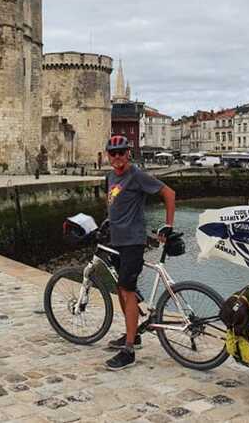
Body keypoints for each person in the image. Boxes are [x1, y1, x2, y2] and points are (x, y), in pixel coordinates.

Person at [103, 134, 175, 371]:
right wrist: (108, 221)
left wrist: (168, 225)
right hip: (116, 240)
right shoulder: (111, 176)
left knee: (127, 290)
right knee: (120, 289)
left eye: (121, 153)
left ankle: (129, 350)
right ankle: (133, 335)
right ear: (108, 155)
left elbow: (169, 193)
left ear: (128, 154)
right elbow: (115, 205)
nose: (117, 158)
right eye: (113, 153)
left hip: (133, 241)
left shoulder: (136, 175)